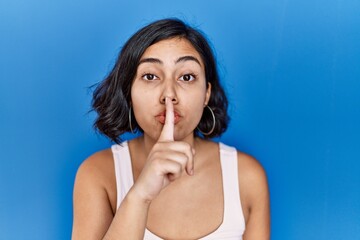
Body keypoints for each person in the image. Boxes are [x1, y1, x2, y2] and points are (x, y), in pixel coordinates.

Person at [72, 18, 270, 240]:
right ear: (129, 91)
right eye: (150, 76)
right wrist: (140, 196)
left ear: (206, 93)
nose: (169, 94)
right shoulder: (98, 174)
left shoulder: (247, 176)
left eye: (186, 77)